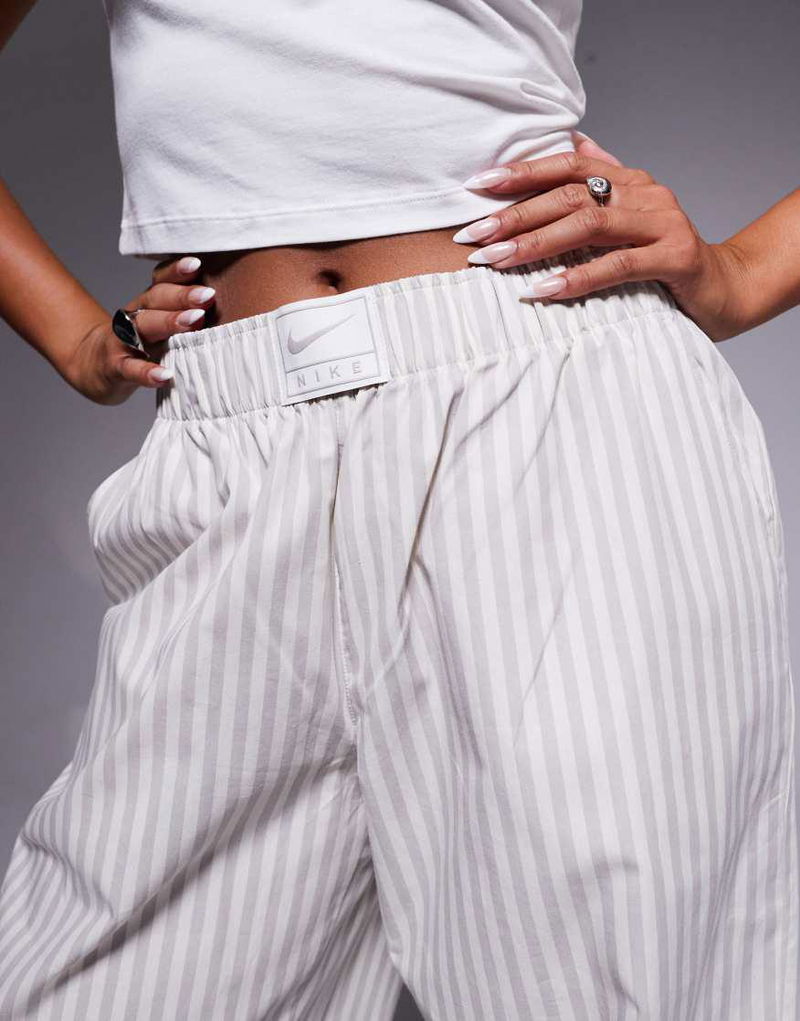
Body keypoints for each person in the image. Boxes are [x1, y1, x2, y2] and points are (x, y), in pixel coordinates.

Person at [0, 0, 797, 1017]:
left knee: (605, 983)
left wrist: (740, 274)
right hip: (232, 433)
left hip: (542, 398)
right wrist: (78, 340)